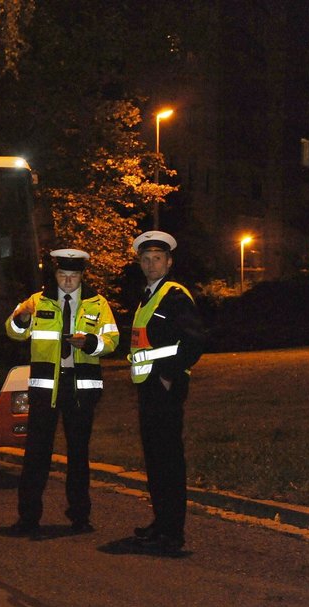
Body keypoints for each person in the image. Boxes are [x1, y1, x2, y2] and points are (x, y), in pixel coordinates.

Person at [5, 248, 119, 536]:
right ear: (55, 274)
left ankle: (80, 515)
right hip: (46, 388)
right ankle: (28, 517)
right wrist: (20, 318)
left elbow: (112, 340)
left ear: (82, 276)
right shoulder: (36, 300)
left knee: (78, 455)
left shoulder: (97, 303)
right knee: (36, 454)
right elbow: (13, 331)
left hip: (81, 388)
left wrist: (91, 342)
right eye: (63, 275)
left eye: (73, 276)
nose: (68, 282)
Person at [129, 231, 205, 553]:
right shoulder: (147, 296)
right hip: (149, 388)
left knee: (169, 461)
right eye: (145, 259)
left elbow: (194, 341)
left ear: (169, 261)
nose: (151, 264)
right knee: (155, 458)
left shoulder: (174, 296)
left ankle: (173, 531)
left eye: (157, 258)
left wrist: (168, 377)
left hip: (164, 387)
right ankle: (161, 522)